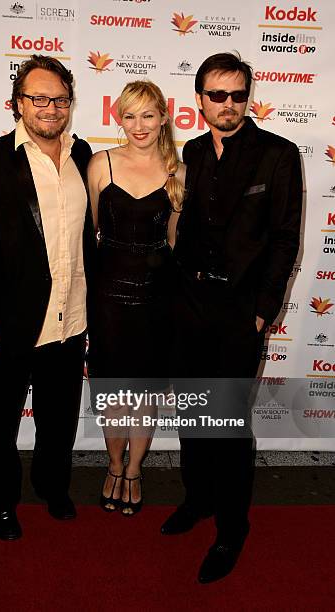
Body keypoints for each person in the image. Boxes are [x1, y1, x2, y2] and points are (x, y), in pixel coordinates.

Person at [160, 52, 302, 582]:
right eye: (216, 95)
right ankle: (198, 501)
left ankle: (231, 527)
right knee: (194, 416)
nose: (227, 104)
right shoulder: (189, 153)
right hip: (188, 306)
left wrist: (265, 310)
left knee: (228, 423)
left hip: (240, 312)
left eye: (237, 94)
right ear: (199, 99)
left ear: (248, 97)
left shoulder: (278, 154)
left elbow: (285, 236)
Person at [0, 54, 95, 540]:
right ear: (18, 103)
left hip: (70, 319)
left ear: (69, 103)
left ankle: (53, 488)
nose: (49, 107)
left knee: (59, 419)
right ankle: (0, 502)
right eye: (38, 98)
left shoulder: (83, 156)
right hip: (10, 321)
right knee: (0, 423)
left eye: (59, 98)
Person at [87, 80, 185, 515]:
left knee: (144, 393)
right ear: (118, 118)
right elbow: (91, 234)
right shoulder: (99, 165)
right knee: (112, 391)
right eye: (130, 115)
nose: (139, 125)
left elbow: (174, 242)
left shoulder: (177, 172)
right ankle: (112, 463)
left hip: (156, 299)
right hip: (107, 295)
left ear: (164, 117)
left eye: (148, 115)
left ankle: (134, 469)